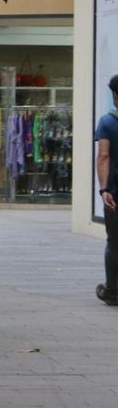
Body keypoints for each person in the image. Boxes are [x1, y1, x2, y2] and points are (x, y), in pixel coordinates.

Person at [95, 74, 118, 306]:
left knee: (114, 241)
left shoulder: (107, 122)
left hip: (115, 191)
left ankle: (112, 291)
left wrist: (104, 189)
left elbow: (103, 156)